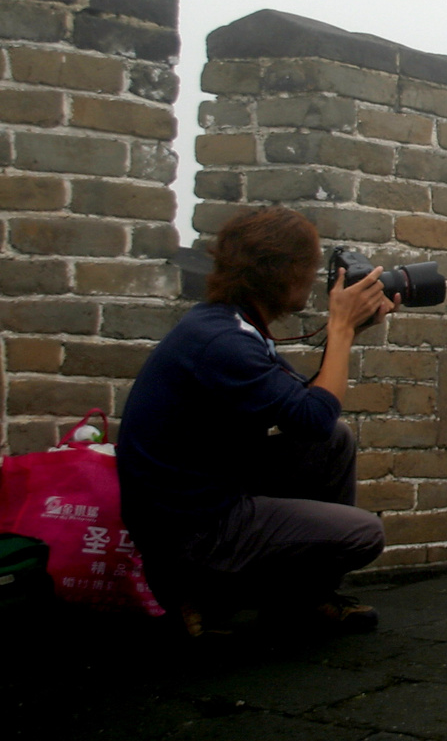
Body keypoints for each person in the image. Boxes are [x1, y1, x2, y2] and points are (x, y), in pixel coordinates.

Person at [117, 206, 395, 634]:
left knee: (332, 444)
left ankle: (307, 598)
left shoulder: (227, 325)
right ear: (285, 272)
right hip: (193, 530)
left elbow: (307, 402)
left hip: (204, 494)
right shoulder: (222, 341)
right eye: (311, 267)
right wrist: (338, 328)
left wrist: (350, 331)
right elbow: (313, 416)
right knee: (363, 533)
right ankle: (202, 588)